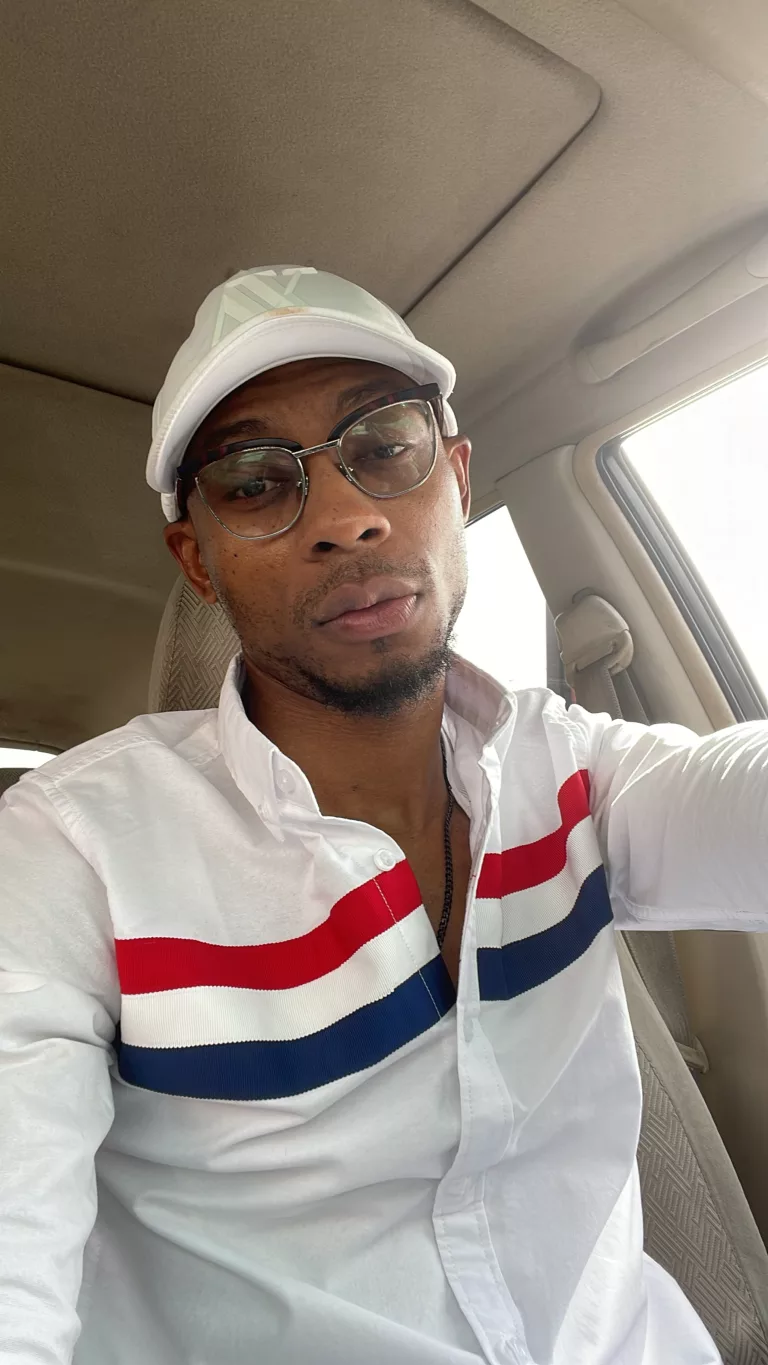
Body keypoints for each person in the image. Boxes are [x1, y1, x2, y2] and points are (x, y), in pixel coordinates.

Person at [1, 265, 766, 1365]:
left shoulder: (573, 772)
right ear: (198, 561)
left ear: (456, 477)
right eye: (255, 483)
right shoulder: (72, 849)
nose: (346, 519)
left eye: (386, 445)